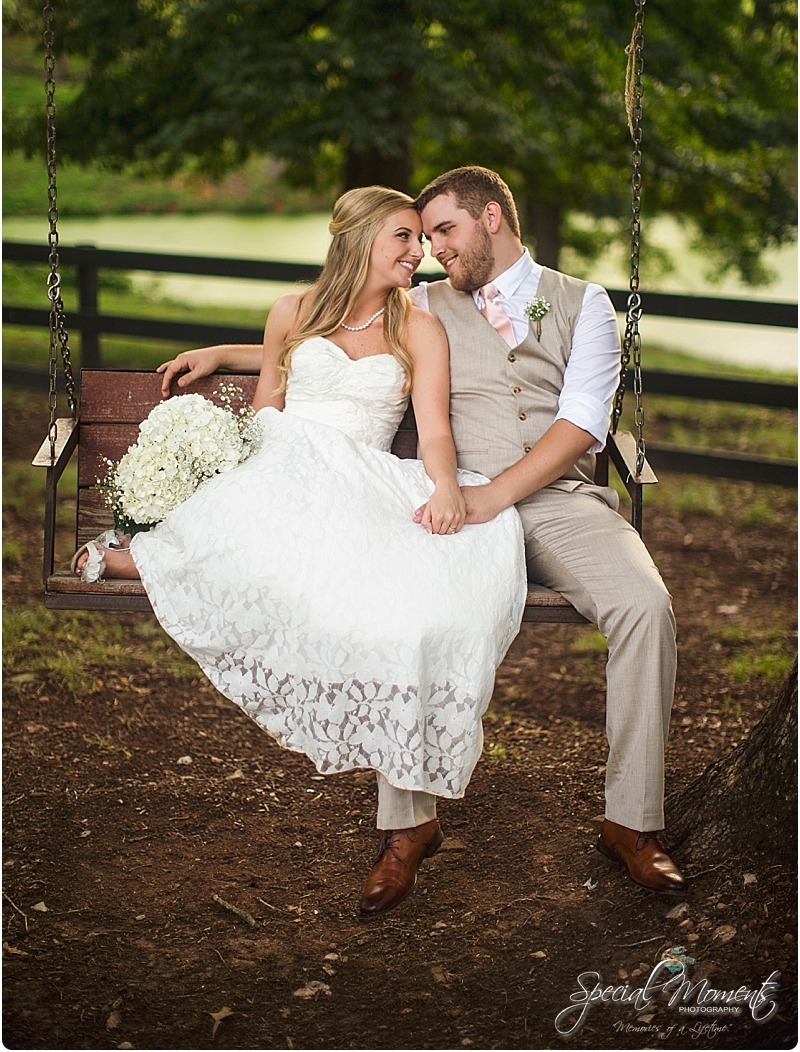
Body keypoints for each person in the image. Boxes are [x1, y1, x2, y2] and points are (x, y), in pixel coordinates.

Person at [156, 166, 687, 898]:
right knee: (412, 609)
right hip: (457, 495)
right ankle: (409, 825)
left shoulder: (583, 303)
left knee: (646, 605)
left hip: (555, 499)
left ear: (492, 218)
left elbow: (583, 422)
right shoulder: (425, 304)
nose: (432, 249)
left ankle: (632, 820)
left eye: (444, 231)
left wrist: (493, 498)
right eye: (421, 236)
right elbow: (335, 331)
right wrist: (227, 353)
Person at [73, 185, 527, 916]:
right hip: (288, 460)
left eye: (421, 239)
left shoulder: (420, 326)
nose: (421, 252)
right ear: (360, 241)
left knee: (402, 615)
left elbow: (435, 429)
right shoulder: (293, 310)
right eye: (405, 239)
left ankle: (407, 829)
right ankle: (162, 556)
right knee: (276, 530)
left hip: (365, 478)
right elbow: (271, 398)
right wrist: (229, 366)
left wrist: (445, 488)